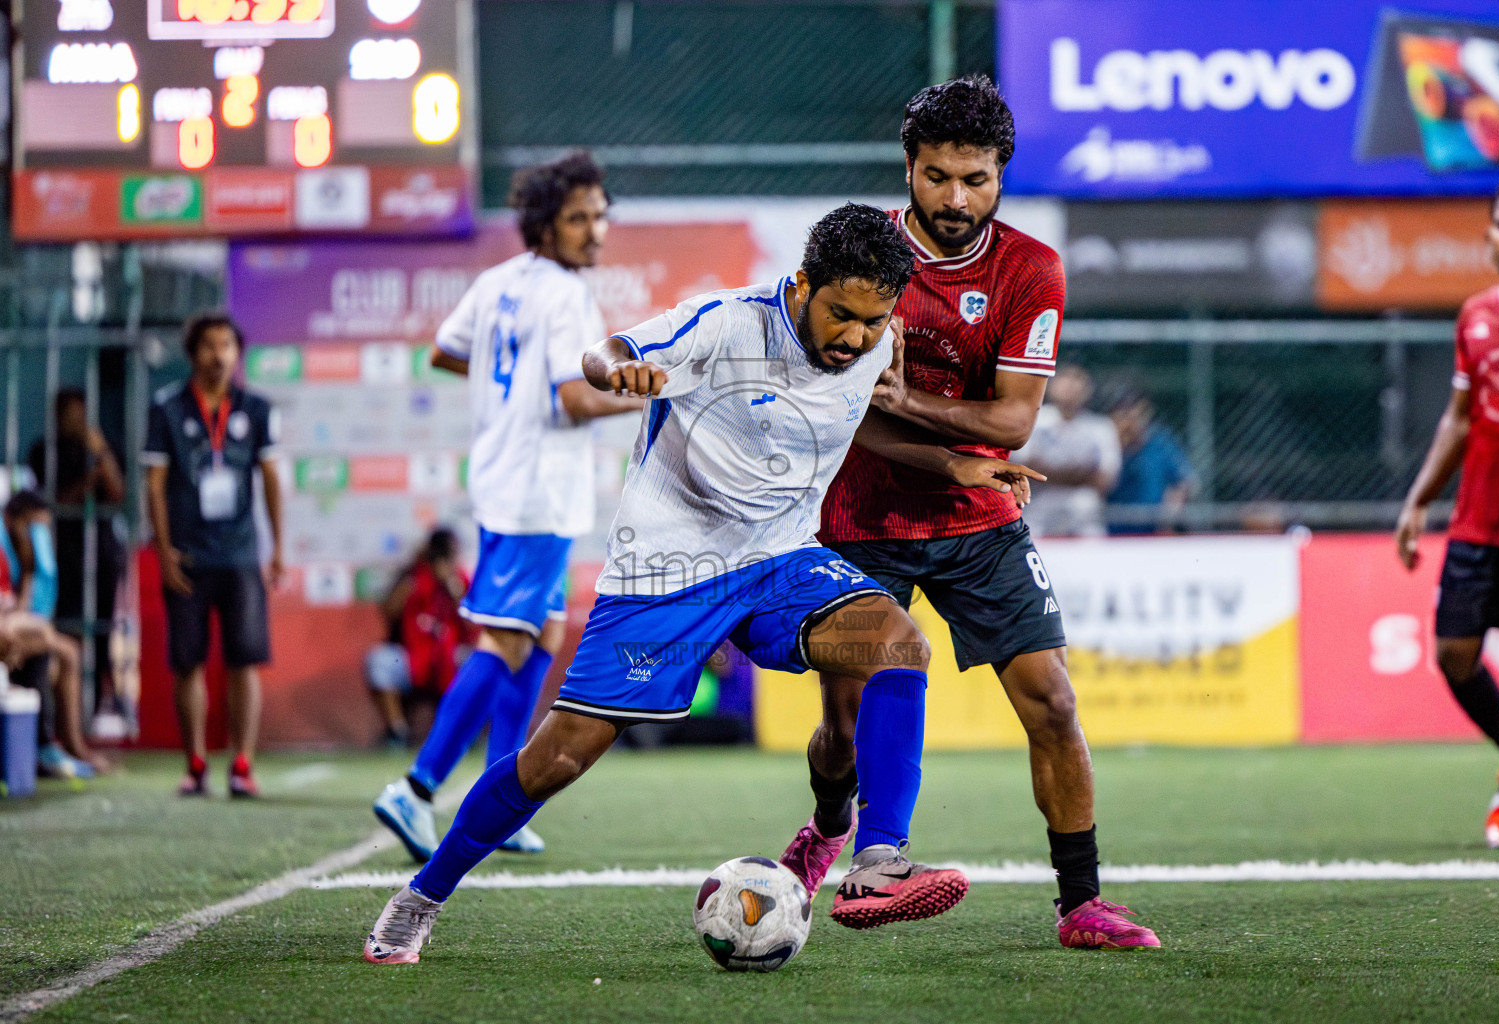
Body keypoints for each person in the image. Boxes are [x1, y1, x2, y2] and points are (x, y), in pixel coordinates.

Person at [362, 202, 1039, 964]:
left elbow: (867, 422)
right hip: (669, 569)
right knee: (557, 757)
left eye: (873, 320)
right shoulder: (723, 322)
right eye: (841, 315)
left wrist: (956, 465)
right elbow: (604, 351)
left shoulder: (881, 342)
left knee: (898, 647)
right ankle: (420, 897)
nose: (855, 337)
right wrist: (618, 368)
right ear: (802, 284)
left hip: (778, 561)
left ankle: (877, 861)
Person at [797, 76, 1160, 948]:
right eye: (937, 178)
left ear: (1001, 174)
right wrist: (925, 423)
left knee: (1055, 703)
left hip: (980, 519)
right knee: (841, 734)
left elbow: (1014, 421)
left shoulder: (1031, 269)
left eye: (977, 179)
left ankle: (1081, 904)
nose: (956, 199)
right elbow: (847, 410)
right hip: (862, 515)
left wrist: (911, 398)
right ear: (909, 169)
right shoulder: (863, 255)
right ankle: (832, 825)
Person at [372, 152, 642, 863]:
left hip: (503, 480)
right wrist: (653, 394)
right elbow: (576, 396)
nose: (594, 230)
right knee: (510, 640)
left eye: (599, 214)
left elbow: (445, 353)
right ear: (544, 226)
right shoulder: (565, 294)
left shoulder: (497, 284)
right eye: (577, 218)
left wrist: (512, 381)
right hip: (537, 492)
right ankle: (418, 786)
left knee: (543, 635)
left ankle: (503, 802)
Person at [1395, 177, 1499, 850]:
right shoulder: (1475, 315)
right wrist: (1419, 499)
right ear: (1488, 236)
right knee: (1454, 655)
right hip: (1478, 521)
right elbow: (1458, 418)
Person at [143, 312, 283, 798]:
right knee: (188, 663)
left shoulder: (256, 408)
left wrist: (277, 547)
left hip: (241, 555)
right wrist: (162, 551)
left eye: (226, 345)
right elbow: (154, 486)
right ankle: (196, 764)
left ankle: (242, 763)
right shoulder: (165, 409)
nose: (218, 354)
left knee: (245, 661)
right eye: (208, 345)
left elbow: (269, 479)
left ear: (237, 354)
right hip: (187, 558)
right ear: (192, 353)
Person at [28, 388, 129, 715]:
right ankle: (63, 709)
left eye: (80, 413)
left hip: (101, 551)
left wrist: (102, 457)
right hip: (64, 552)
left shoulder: (104, 447)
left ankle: (103, 704)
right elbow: (55, 503)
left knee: (102, 627)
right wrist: (90, 480)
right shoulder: (44, 451)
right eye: (69, 414)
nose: (76, 421)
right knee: (66, 625)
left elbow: (117, 495)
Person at [1, 490, 99, 777]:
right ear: (13, 520)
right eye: (33, 525)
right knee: (52, 643)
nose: (39, 533)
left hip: (12, 633)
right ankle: (47, 747)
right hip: (8, 632)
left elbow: (21, 610)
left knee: (51, 648)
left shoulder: (20, 555)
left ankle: (53, 747)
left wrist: (30, 570)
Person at [364, 527, 475, 748]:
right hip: (413, 656)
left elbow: (473, 628)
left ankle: (463, 733)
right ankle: (397, 732)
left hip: (450, 656)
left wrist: (455, 594)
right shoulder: (413, 576)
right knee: (379, 661)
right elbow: (388, 612)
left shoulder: (460, 579)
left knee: (483, 665)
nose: (445, 560)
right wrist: (411, 580)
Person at [1012, 364, 1121, 537]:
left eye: (1078, 380)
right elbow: (1023, 471)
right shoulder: (1033, 421)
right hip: (1038, 512)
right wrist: (1081, 473)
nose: (1071, 387)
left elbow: (1104, 480)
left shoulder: (1101, 427)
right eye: (1066, 380)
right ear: (1051, 386)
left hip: (1084, 517)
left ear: (1089, 389)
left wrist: (1049, 471)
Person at [1105, 389, 1195, 535]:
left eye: (1137, 414)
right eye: (1124, 415)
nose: (1130, 422)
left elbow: (1185, 482)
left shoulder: (1160, 442)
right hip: (1110, 528)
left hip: (1154, 528)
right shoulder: (1105, 444)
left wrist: (1170, 513)